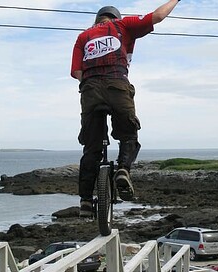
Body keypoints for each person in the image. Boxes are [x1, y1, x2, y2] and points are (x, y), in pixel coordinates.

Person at [70, 0, 180, 216]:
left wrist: (92, 85)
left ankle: (84, 202)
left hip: (90, 91)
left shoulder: (83, 37)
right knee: (128, 133)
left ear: (97, 20)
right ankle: (123, 170)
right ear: (115, 17)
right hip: (117, 85)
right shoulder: (122, 26)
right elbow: (157, 16)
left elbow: (77, 73)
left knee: (91, 148)